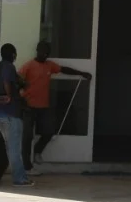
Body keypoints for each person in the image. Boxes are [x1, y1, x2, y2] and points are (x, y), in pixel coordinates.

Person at [19, 41, 90, 174]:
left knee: (49, 131)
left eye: (47, 53)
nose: (45, 55)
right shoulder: (28, 66)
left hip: (43, 107)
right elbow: (17, 81)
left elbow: (64, 69)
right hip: (29, 107)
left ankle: (37, 151)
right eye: (43, 52)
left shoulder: (49, 65)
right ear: (37, 51)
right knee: (27, 137)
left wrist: (82, 73)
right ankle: (27, 167)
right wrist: (21, 100)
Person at [0, 43, 31, 187]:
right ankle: (19, 178)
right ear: (13, 55)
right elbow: (6, 81)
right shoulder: (8, 67)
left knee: (10, 147)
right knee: (15, 147)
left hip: (1, 114)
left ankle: (19, 176)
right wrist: (10, 95)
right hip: (11, 114)